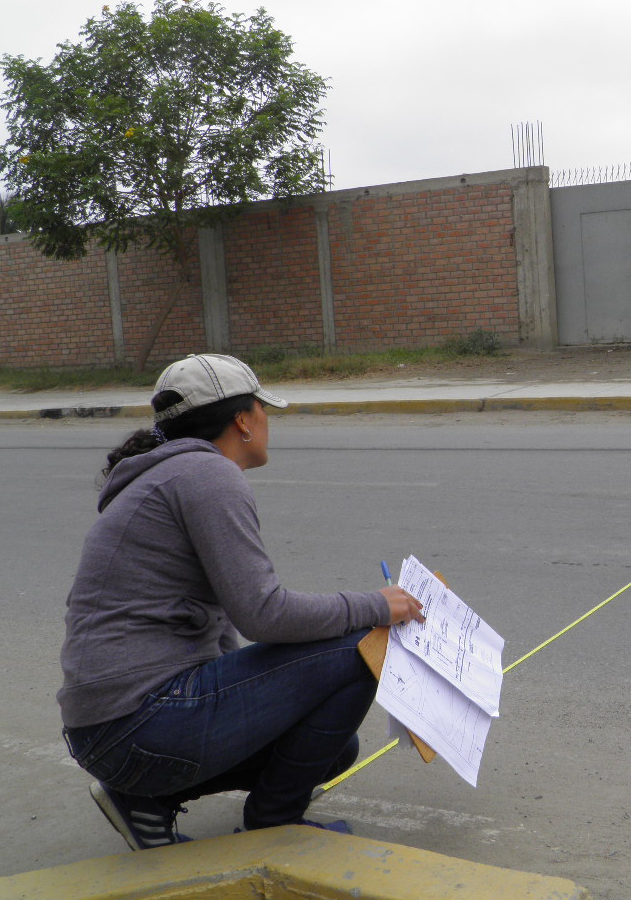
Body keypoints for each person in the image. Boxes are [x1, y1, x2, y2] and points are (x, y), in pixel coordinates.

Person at [58, 353, 425, 850]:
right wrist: (377, 606)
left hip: (110, 733)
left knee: (334, 749)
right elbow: (264, 613)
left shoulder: (170, 474)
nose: (267, 421)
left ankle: (143, 799)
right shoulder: (206, 476)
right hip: (138, 725)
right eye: (263, 409)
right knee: (362, 645)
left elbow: (224, 626)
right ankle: (273, 824)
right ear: (242, 420)